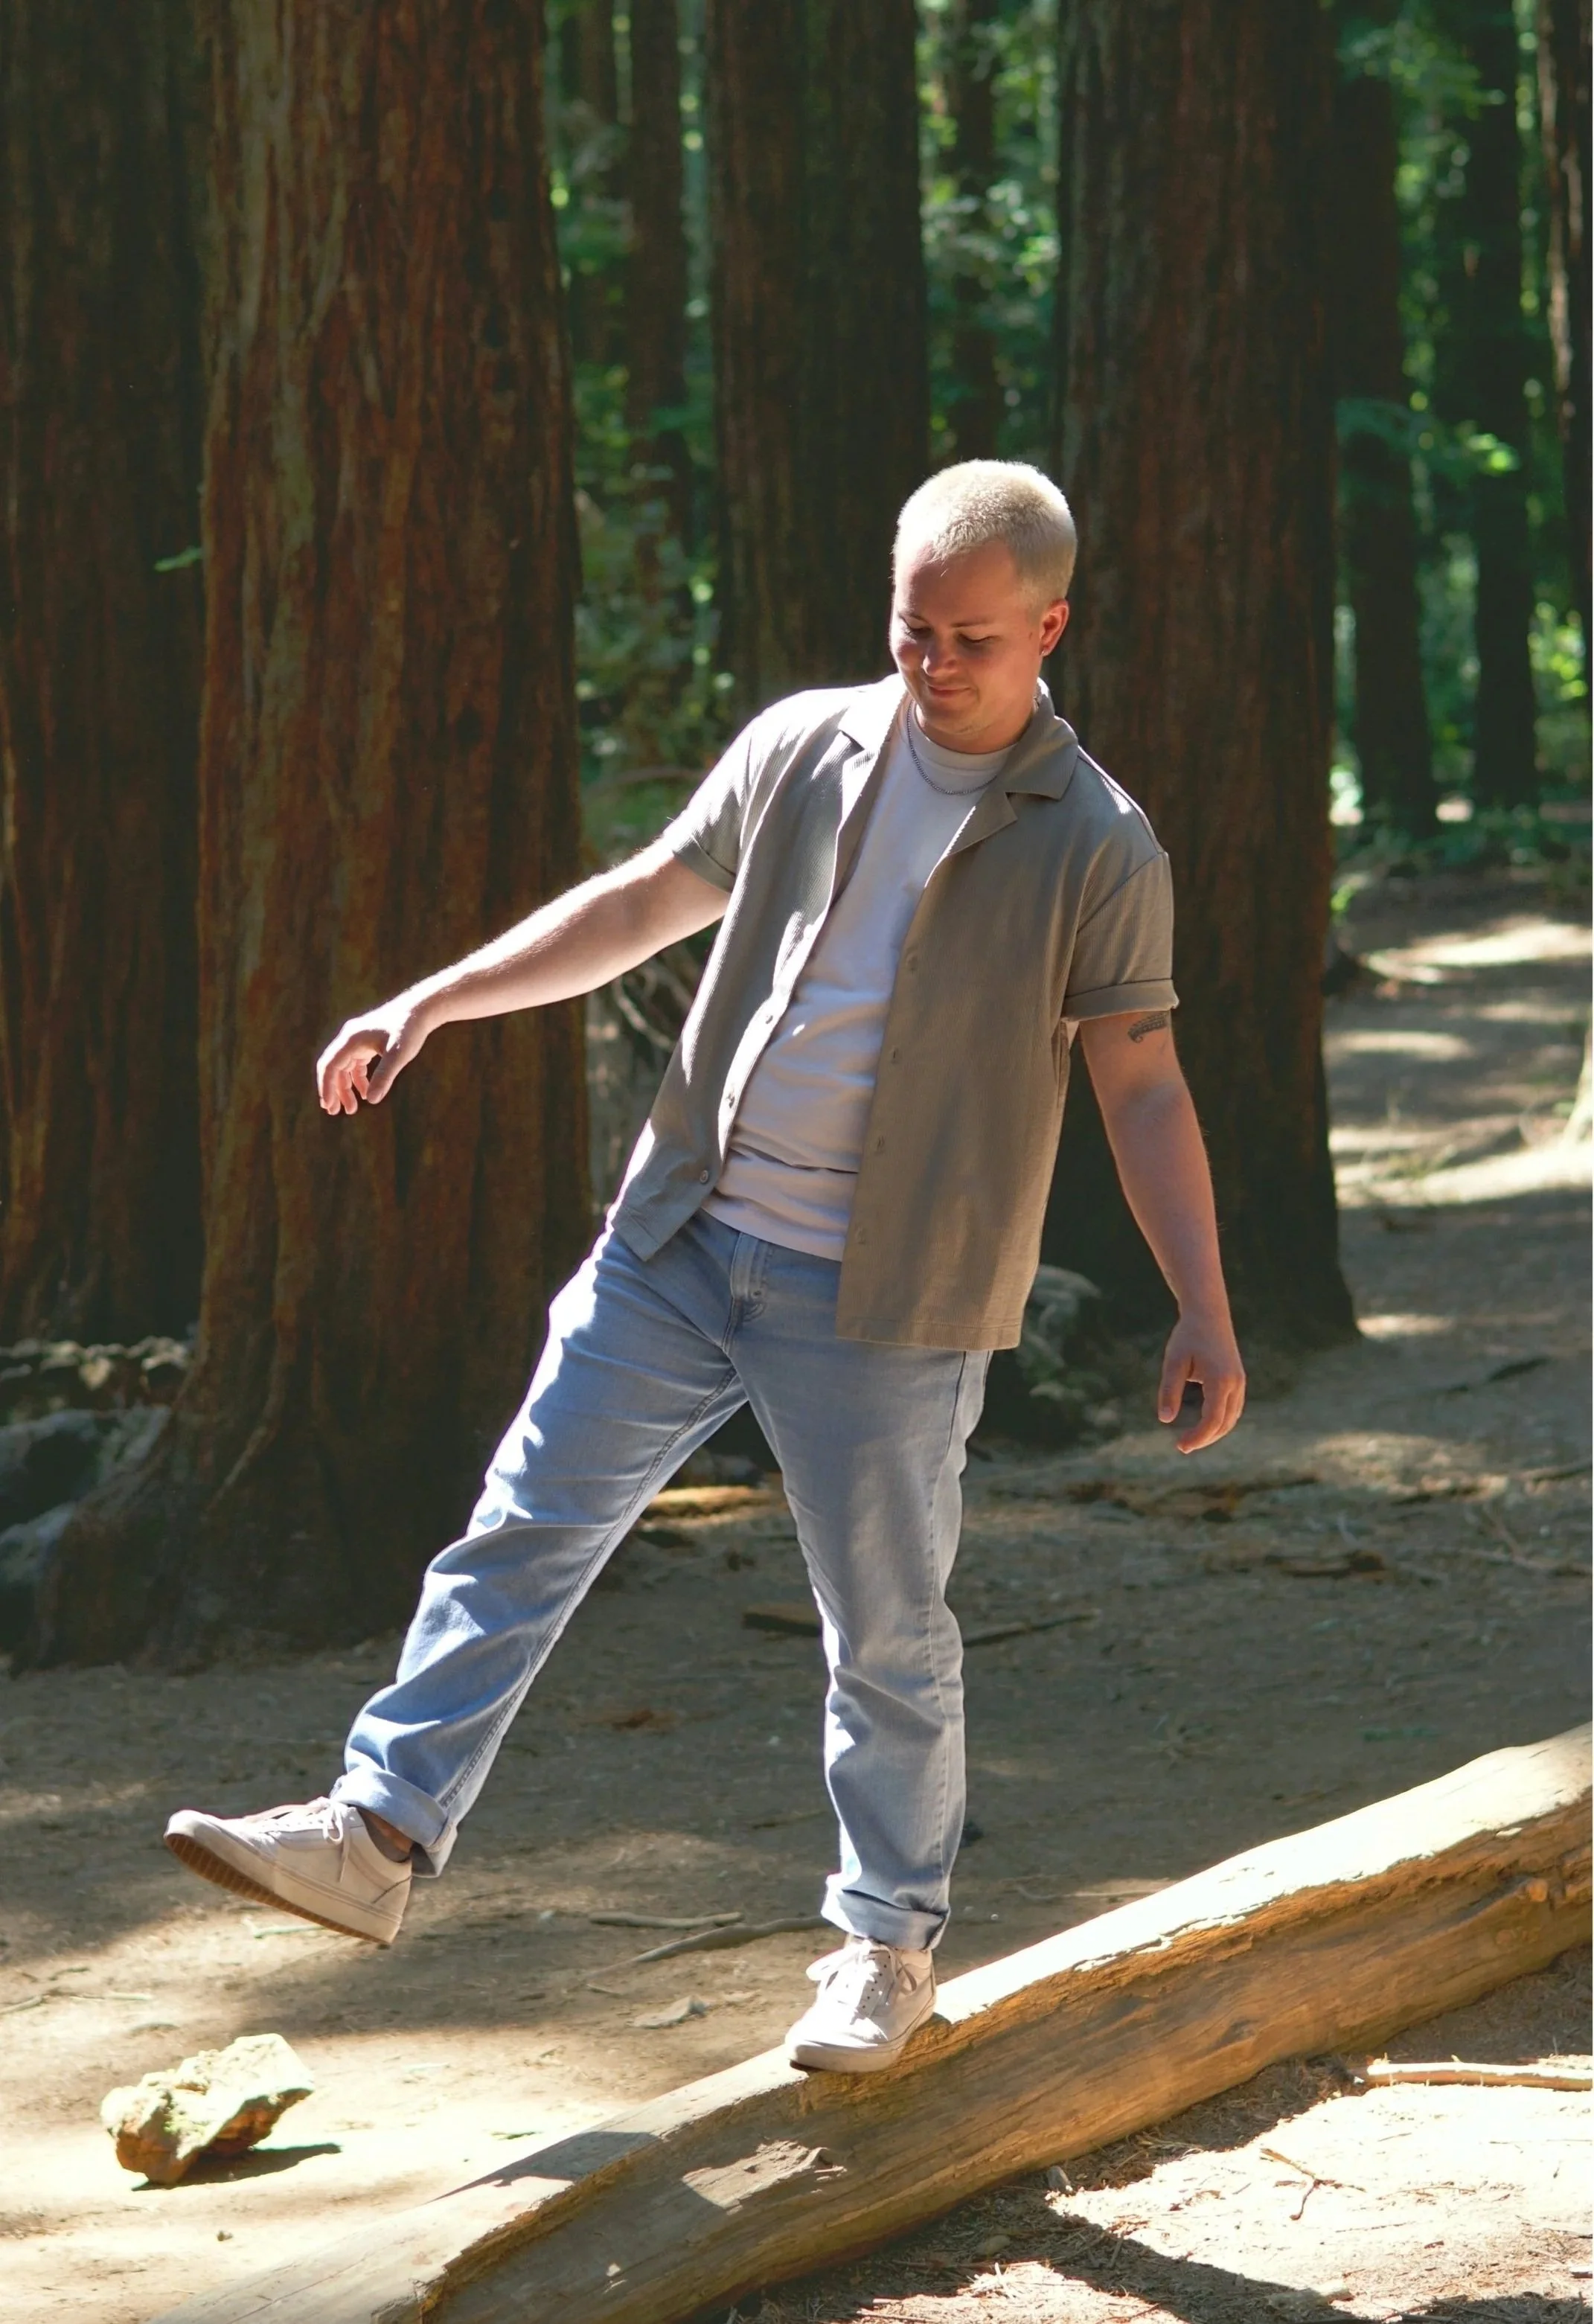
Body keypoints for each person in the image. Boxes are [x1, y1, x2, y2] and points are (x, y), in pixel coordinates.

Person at [165, 461, 1245, 2074]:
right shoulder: (804, 747)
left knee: (884, 1631)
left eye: (971, 637)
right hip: (680, 1236)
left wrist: (1207, 1305)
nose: (935, 663)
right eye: (911, 629)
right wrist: (433, 1002)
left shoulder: (1096, 841)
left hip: (886, 1302)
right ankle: (373, 1835)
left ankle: (886, 1946)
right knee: (519, 1526)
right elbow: (642, 904)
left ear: (1049, 628)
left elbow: (1141, 1082)